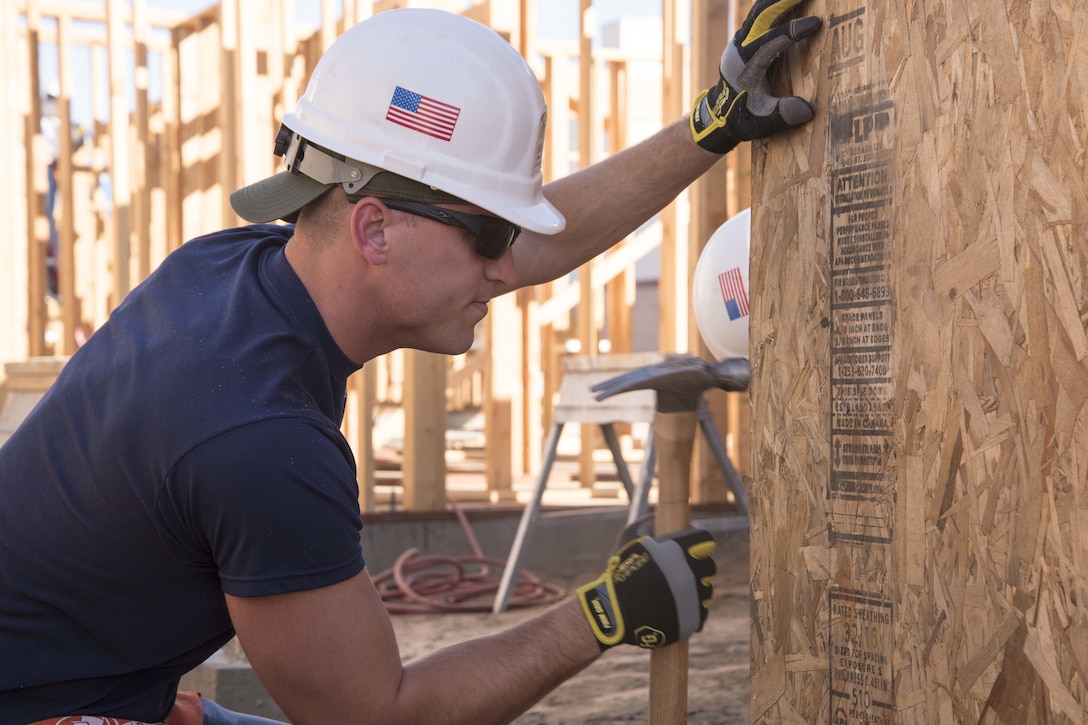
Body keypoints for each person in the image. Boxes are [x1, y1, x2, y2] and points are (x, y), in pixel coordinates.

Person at [0, 2, 820, 723]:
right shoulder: (260, 438)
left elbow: (541, 238)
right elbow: (375, 716)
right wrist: (599, 614)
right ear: (375, 230)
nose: (507, 267)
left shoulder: (236, 269)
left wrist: (709, 125)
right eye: (489, 236)